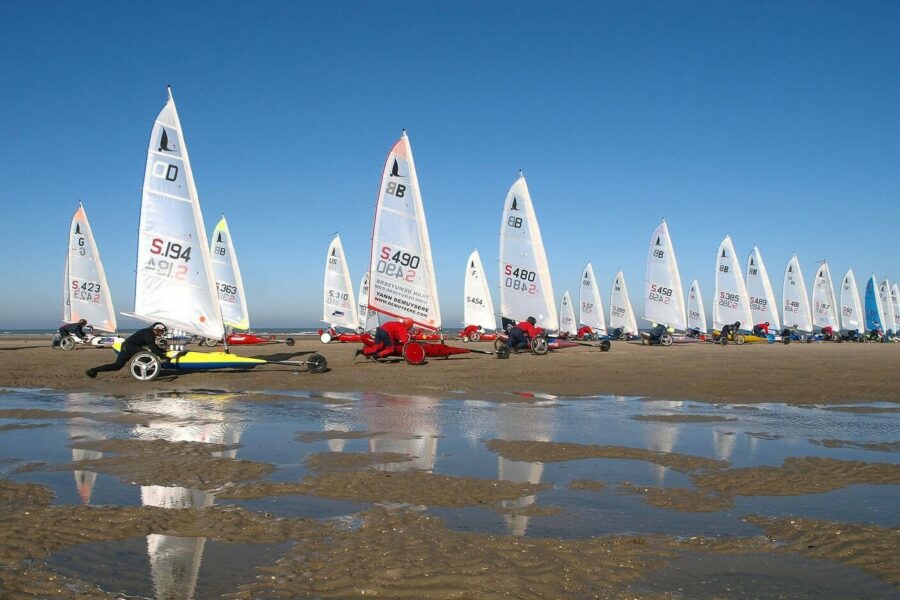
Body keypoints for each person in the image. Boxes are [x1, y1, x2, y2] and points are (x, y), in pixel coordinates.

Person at [85, 322, 169, 378]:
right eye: (162, 331)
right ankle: (139, 371)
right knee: (147, 355)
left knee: (117, 366)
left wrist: (163, 351)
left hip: (126, 346)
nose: (162, 333)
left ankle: (92, 370)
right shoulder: (149, 333)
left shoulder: (148, 332)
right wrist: (163, 357)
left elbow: (153, 346)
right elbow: (152, 347)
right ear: (158, 329)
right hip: (130, 346)